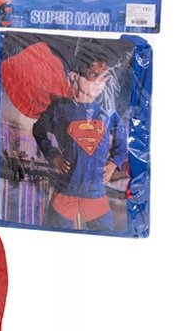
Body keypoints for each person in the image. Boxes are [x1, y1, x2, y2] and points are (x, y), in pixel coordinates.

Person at [32, 50, 127, 232]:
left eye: (104, 78)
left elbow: (121, 143)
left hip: (96, 193)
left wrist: (114, 163)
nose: (100, 83)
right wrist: (54, 156)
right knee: (53, 237)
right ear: (74, 77)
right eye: (94, 76)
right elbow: (39, 130)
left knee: (107, 241)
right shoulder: (60, 108)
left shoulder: (108, 112)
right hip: (66, 191)